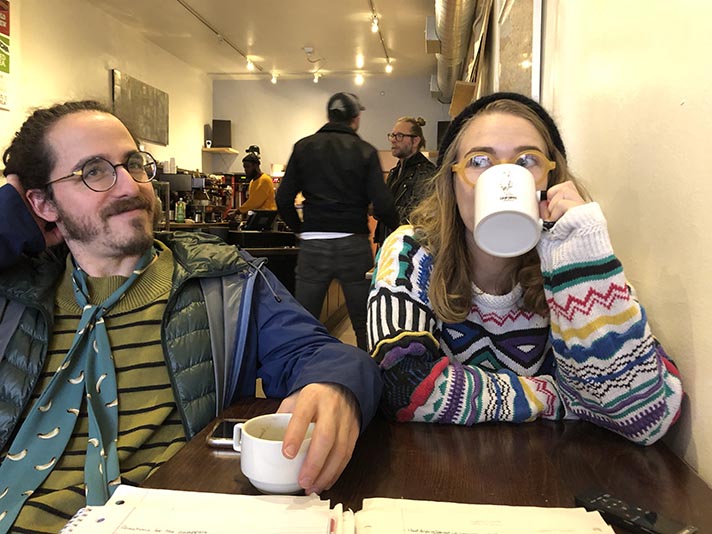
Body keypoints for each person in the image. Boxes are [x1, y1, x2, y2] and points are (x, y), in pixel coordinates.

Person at [0, 100, 383, 533]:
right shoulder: (15, 296)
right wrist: (8, 216)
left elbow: (321, 353)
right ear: (42, 203)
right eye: (93, 171)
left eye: (133, 164)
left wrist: (336, 387)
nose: (129, 186)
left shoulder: (224, 281)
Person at [367, 92, 683, 445]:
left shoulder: (575, 257)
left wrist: (581, 261)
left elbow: (648, 416)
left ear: (550, 180)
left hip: (558, 468)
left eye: (527, 160)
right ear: (452, 182)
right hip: (441, 466)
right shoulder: (412, 251)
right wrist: (557, 397)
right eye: (479, 161)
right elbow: (403, 388)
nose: (504, 178)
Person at [276, 92, 398, 351]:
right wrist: (399, 228)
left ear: (329, 116)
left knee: (304, 322)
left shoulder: (303, 147)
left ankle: (302, 371)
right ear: (356, 118)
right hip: (353, 244)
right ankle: (369, 370)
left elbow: (283, 198)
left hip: (313, 245)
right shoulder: (365, 151)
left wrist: (301, 229)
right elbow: (383, 203)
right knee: (364, 323)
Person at [374, 116, 436, 245]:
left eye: (399, 136)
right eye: (392, 135)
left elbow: (419, 217)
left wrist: (381, 208)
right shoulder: (394, 172)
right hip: (390, 245)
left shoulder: (426, 174)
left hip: (408, 248)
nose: (393, 140)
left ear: (415, 141)